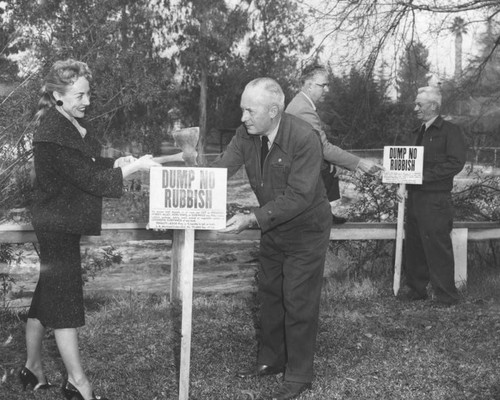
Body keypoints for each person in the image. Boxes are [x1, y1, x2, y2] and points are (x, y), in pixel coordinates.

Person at [21, 59, 160, 400]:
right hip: (56, 225)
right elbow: (87, 179)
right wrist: (134, 169)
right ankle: (78, 383)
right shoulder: (52, 131)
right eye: (79, 95)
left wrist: (116, 163)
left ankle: (32, 367)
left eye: (88, 94)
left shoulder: (65, 123)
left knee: (48, 294)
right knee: (65, 299)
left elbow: (85, 165)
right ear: (57, 95)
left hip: (58, 221)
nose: (86, 101)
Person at [211, 77, 332, 400]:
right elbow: (218, 173)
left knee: (297, 299)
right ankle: (271, 360)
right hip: (273, 227)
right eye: (242, 110)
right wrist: (184, 180)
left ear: (274, 111)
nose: (243, 118)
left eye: (249, 111)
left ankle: (299, 374)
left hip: (306, 229)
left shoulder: (305, 138)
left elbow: (299, 197)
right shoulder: (245, 135)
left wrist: (252, 218)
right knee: (270, 294)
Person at [285, 65, 383, 224]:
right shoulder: (303, 109)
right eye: (323, 85)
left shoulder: (302, 104)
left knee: (329, 170)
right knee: (328, 171)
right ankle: (321, 217)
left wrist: (330, 163)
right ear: (310, 85)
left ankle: (324, 214)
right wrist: (360, 162)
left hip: (303, 167)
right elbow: (323, 148)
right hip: (300, 173)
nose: (326, 90)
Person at [398, 86, 466, 306]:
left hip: (436, 199)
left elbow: (455, 163)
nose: (415, 107)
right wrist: (400, 182)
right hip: (415, 198)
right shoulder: (415, 132)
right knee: (415, 245)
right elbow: (404, 165)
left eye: (419, 104)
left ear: (434, 106)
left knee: (437, 246)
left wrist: (422, 177)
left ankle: (446, 295)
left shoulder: (451, 131)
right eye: (416, 103)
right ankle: (417, 290)